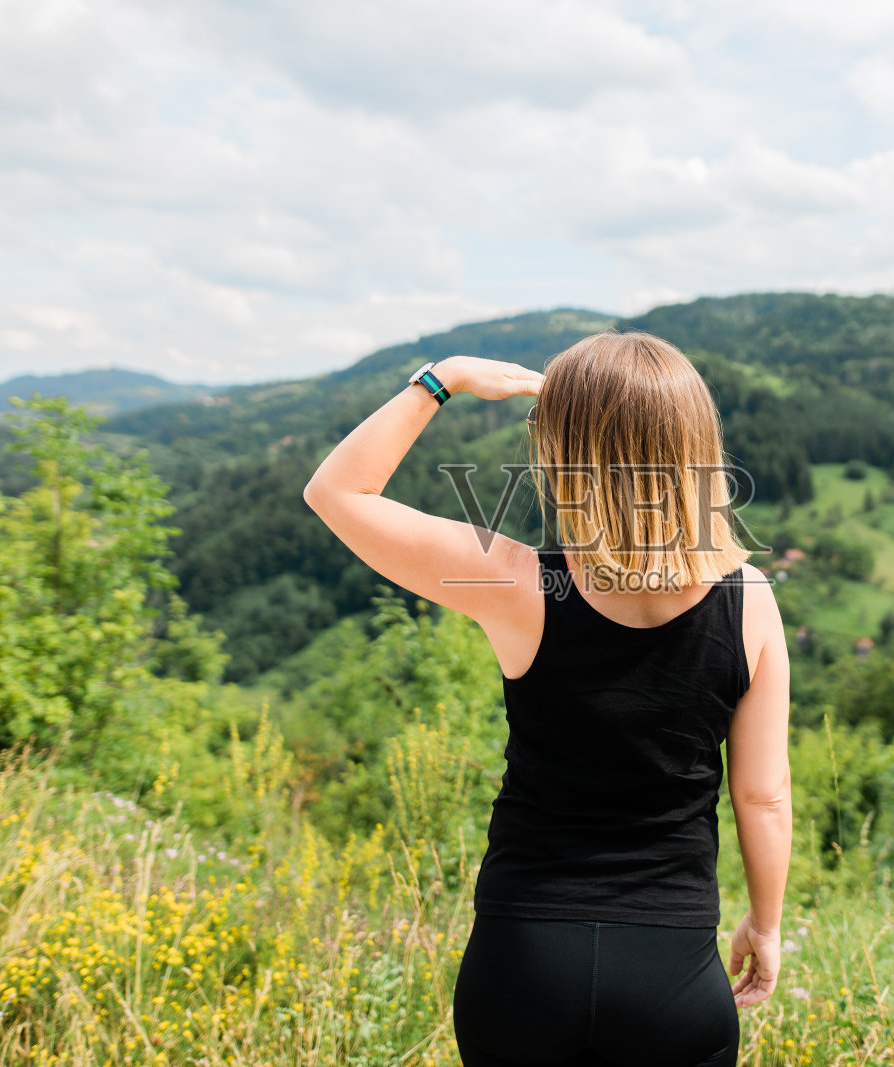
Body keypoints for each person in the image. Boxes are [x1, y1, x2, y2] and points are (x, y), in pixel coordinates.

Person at [303, 330, 792, 1066]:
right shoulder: (748, 601)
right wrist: (767, 922)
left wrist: (442, 380)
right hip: (672, 969)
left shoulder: (520, 584)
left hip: (522, 962)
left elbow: (335, 492)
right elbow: (763, 796)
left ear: (566, 458)